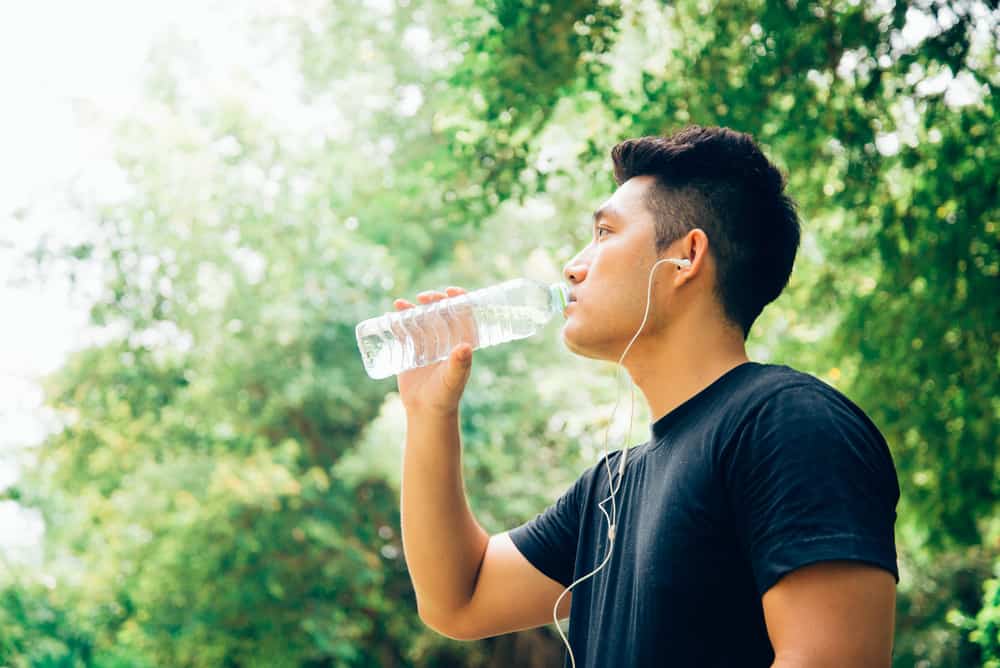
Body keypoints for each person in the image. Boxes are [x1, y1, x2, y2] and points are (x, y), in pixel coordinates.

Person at [393, 125, 900, 667]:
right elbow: (459, 599)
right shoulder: (608, 489)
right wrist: (429, 414)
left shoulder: (787, 423)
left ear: (686, 257)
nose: (573, 266)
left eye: (606, 233)